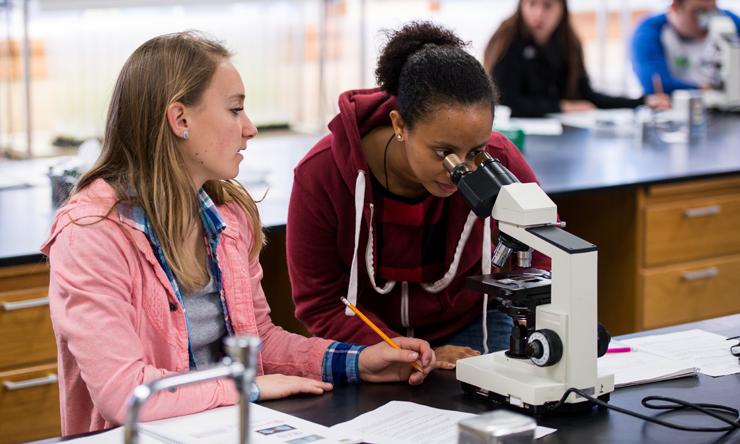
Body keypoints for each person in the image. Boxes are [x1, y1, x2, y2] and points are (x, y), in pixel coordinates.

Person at [40, 31, 434, 436]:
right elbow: (124, 395)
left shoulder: (229, 217)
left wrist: (357, 360)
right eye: (235, 110)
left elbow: (258, 340)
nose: (250, 129)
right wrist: (246, 387)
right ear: (180, 120)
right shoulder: (90, 233)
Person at [286, 21, 550, 370]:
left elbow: (544, 249)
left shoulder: (497, 158)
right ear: (399, 125)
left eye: (476, 150)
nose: (463, 171)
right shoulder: (322, 174)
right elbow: (320, 303)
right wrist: (404, 352)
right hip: (370, 335)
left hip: (471, 323)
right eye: (444, 152)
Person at [484, 0, 670, 118]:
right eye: (531, 4)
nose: (538, 13)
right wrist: (561, 106)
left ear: (562, 9)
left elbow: (588, 95)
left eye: (547, 6)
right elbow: (505, 100)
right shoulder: (506, 40)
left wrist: (641, 102)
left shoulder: (569, 43)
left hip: (562, 134)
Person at [631, 0, 740, 94]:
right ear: (675, 6)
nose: (708, 19)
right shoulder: (650, 32)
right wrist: (705, 90)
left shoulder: (730, 23)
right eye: (699, 12)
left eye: (713, 10)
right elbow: (655, 85)